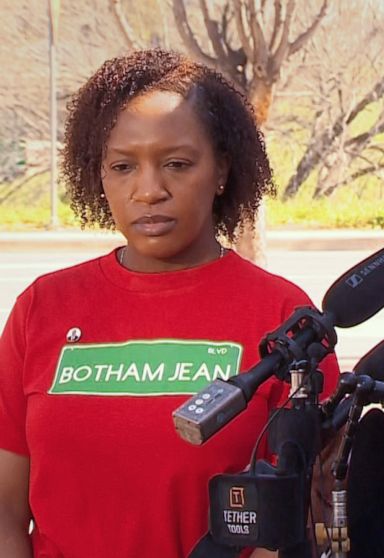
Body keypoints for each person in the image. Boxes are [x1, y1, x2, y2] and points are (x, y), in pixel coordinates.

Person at [0, 50, 339, 557]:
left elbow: (299, 522)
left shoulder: (284, 316)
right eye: (122, 166)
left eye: (177, 164)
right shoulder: (41, 308)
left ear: (221, 169)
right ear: (99, 175)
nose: (149, 190)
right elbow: (6, 514)